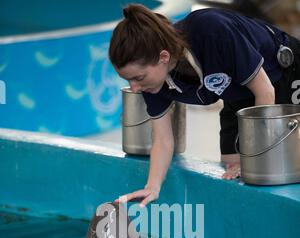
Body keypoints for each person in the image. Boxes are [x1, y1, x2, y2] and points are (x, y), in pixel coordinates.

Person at [109, 4, 300, 207]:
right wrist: (152, 187)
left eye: (138, 78)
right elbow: (163, 139)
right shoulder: (154, 81)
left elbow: (265, 92)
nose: (135, 88)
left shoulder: (212, 30)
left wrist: (252, 158)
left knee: (272, 169)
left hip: (284, 73)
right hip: (238, 93)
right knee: (231, 164)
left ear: (163, 57)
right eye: (129, 80)